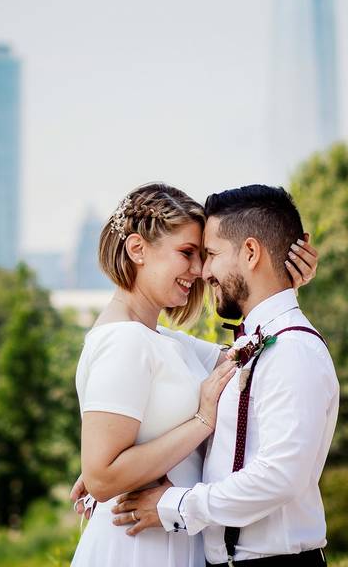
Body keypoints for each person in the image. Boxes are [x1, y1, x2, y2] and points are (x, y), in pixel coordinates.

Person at [69, 183, 319, 567]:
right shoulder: (125, 341)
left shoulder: (166, 341)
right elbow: (101, 479)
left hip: (171, 534)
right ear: (137, 250)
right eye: (187, 253)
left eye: (204, 255)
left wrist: (281, 288)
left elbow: (251, 356)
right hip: (138, 545)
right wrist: (201, 421)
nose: (200, 270)